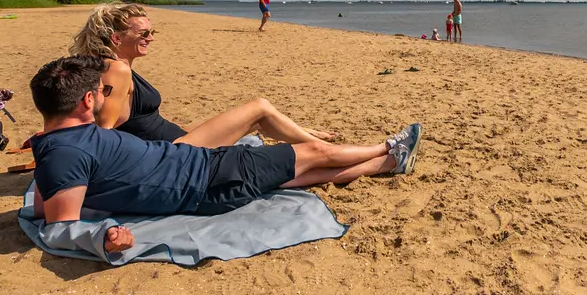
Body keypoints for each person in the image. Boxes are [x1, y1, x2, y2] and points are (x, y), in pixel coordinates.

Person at [28, 56, 420, 254]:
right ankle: (388, 147)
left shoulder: (56, 143)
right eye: (102, 91)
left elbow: (46, 204)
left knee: (302, 175)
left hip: (199, 172)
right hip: (209, 177)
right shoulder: (67, 153)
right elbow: (59, 226)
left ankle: (388, 164)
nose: (106, 96)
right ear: (87, 100)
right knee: (313, 152)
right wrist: (103, 236)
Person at [70, 3, 338, 147]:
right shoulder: (117, 70)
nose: (151, 38)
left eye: (152, 32)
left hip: (173, 134)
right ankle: (321, 147)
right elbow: (103, 131)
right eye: (144, 34)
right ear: (117, 38)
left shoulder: (112, 66)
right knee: (260, 108)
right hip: (174, 149)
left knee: (250, 120)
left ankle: (305, 133)